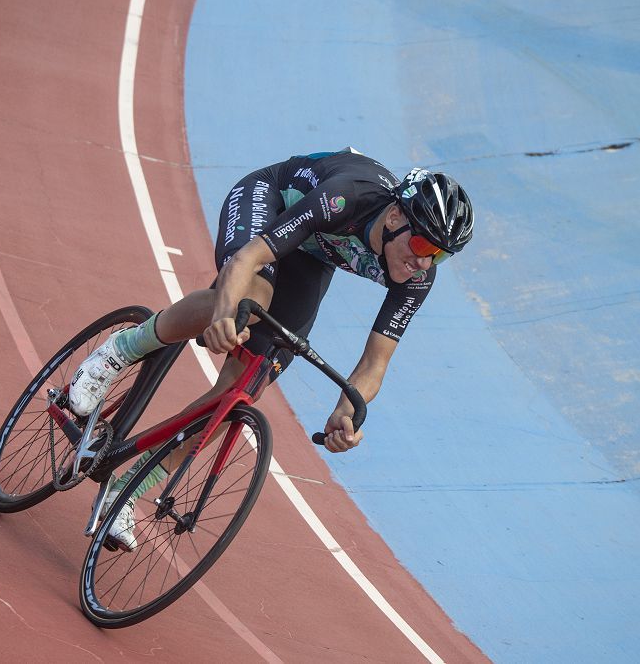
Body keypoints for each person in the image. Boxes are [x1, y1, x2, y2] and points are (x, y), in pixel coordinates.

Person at [68, 147, 473, 550]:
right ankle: (119, 350)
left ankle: (125, 489)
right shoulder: (346, 197)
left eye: (440, 255)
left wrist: (346, 415)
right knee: (251, 301)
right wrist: (224, 315)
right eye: (423, 246)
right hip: (273, 202)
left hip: (314, 255)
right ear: (395, 216)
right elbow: (246, 258)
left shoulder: (417, 278)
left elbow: (374, 363)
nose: (425, 263)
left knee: (240, 390)